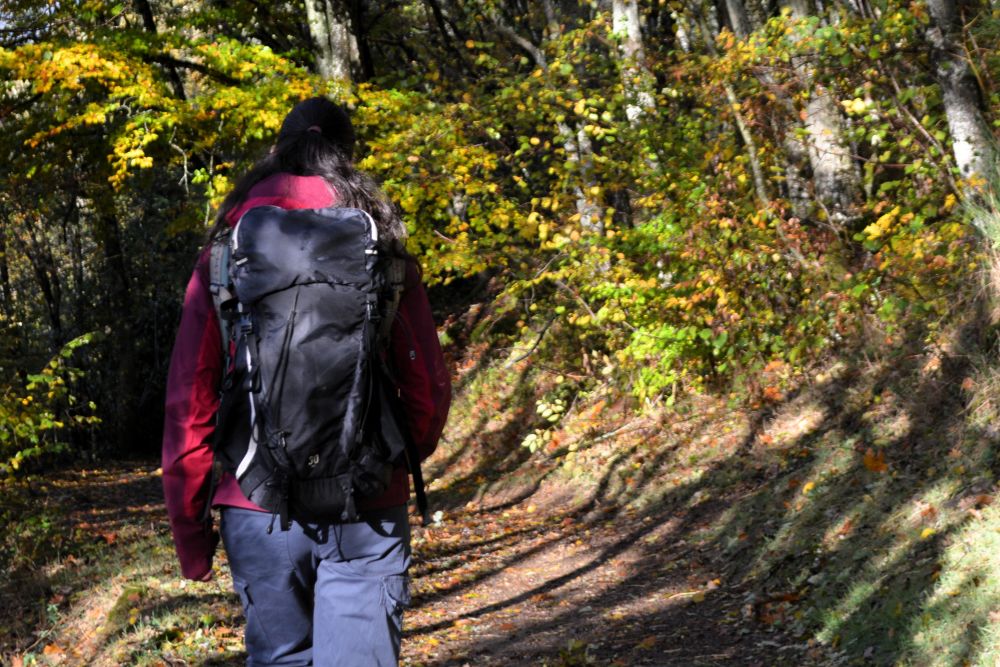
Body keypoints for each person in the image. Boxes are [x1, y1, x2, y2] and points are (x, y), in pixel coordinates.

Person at [162, 97, 451, 667]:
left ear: (278, 151)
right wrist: (390, 464)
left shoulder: (225, 257)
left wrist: (191, 539)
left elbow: (187, 405)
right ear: (348, 156)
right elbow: (428, 391)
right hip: (366, 506)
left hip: (256, 504)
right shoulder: (383, 250)